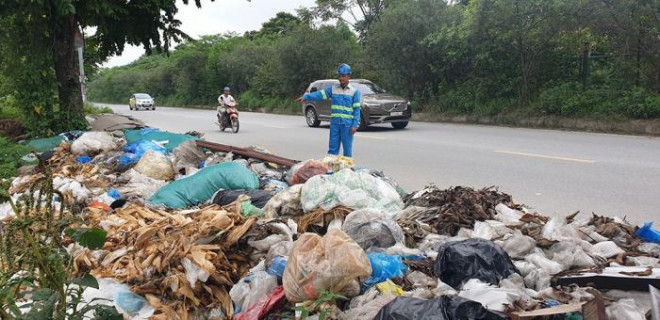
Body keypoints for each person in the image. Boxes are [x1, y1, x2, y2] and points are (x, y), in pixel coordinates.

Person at [296, 64, 361, 158]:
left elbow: (357, 110)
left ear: (349, 76)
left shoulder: (354, 92)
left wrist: (354, 125)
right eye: (339, 76)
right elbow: (320, 94)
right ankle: (331, 169)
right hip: (335, 124)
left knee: (347, 150)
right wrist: (306, 97)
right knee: (332, 150)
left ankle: (347, 170)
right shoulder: (333, 89)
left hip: (347, 125)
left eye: (343, 76)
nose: (341, 78)